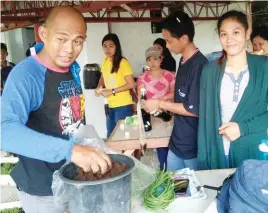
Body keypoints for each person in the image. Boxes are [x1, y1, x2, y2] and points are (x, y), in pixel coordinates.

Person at [1, 6, 111, 213]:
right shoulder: (26, 75)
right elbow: (4, 131)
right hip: (43, 191)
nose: (69, 49)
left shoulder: (72, 68)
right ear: (43, 33)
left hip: (75, 179)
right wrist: (70, 151)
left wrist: (90, 145)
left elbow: (69, 121)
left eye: (78, 41)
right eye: (62, 39)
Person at [197, 10, 268, 170]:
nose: (230, 39)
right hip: (218, 152)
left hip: (252, 151)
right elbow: (205, 119)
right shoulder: (209, 71)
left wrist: (243, 128)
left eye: (236, 32)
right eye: (224, 34)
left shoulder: (264, 67)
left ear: (247, 33)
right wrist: (204, 157)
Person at [143, 11, 208, 171]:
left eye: (169, 41)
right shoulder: (183, 60)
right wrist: (167, 97)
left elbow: (193, 109)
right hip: (178, 139)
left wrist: (159, 103)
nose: (167, 46)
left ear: (184, 39)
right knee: (172, 185)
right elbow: (183, 93)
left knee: (189, 189)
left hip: (192, 144)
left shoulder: (199, 66)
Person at [137, 46, 175, 170]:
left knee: (171, 145)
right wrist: (147, 106)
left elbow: (174, 93)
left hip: (167, 116)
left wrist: (160, 101)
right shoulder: (142, 78)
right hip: (151, 116)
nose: (152, 63)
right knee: (161, 147)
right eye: (149, 60)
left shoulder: (169, 75)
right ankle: (164, 173)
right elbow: (141, 98)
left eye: (155, 59)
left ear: (161, 59)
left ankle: (172, 173)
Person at [95, 33, 135, 138]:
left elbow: (131, 84)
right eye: (105, 46)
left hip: (123, 105)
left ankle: (127, 155)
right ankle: (115, 155)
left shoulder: (123, 62)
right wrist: (99, 87)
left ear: (117, 46)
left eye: (111, 46)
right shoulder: (105, 61)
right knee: (111, 135)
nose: (107, 49)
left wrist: (111, 91)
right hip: (110, 105)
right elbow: (103, 77)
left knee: (124, 136)